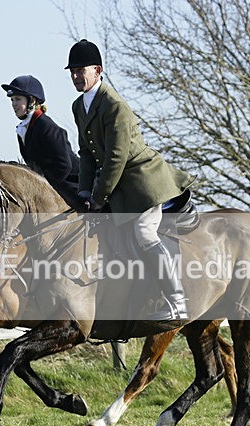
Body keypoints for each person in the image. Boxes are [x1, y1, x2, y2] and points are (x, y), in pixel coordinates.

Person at [65, 39, 194, 321]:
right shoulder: (79, 106)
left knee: (144, 232)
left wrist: (98, 197)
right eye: (72, 71)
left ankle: (177, 300)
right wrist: (85, 192)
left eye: (80, 70)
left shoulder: (114, 106)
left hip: (142, 181)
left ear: (97, 70)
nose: (76, 76)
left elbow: (116, 158)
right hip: (116, 184)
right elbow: (85, 153)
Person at [1, 74, 81, 209]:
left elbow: (64, 166)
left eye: (18, 99)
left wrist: (41, 190)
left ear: (32, 100)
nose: (14, 104)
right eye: (12, 100)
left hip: (73, 189)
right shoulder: (23, 129)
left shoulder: (46, 127)